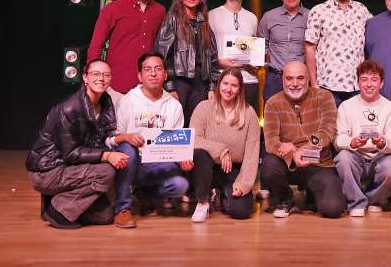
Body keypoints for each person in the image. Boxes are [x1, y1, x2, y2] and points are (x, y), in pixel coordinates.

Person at [26, 60, 129, 229]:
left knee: (105, 216)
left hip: (71, 168)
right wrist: (108, 156)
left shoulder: (105, 102)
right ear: (85, 78)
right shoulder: (69, 109)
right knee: (106, 170)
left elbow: (100, 140)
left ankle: (55, 201)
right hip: (47, 171)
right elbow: (70, 153)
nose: (101, 78)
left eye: (106, 75)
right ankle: (58, 210)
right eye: (95, 74)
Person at [112, 52, 192, 228]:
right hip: (133, 162)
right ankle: (122, 209)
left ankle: (145, 195)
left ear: (165, 74)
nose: (153, 74)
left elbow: (176, 145)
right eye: (147, 70)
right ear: (140, 76)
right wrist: (128, 137)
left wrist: (183, 159)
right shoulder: (128, 101)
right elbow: (113, 138)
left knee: (180, 185)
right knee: (127, 149)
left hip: (159, 163)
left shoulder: (174, 106)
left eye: (158, 69)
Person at [260, 61, 345, 218]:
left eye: (300, 78)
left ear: (308, 79)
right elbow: (271, 142)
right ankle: (286, 199)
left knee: (333, 209)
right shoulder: (272, 103)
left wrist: (301, 150)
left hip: (319, 164)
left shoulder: (324, 97)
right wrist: (292, 154)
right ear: (283, 80)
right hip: (289, 164)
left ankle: (313, 193)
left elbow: (327, 133)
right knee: (269, 165)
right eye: (289, 78)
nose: (294, 84)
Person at [87, 0, 166, 103]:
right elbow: (96, 47)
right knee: (116, 126)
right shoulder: (113, 9)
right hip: (117, 87)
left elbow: (163, 48)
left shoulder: (160, 11)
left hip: (149, 89)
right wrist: (93, 80)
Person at [189, 67, 260, 222]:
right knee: (200, 153)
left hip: (232, 169)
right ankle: (203, 201)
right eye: (225, 83)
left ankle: (223, 195)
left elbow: (252, 154)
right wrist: (221, 150)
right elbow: (193, 139)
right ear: (219, 84)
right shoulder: (203, 107)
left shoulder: (249, 113)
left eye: (234, 85)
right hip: (207, 169)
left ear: (240, 88)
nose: (228, 89)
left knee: (241, 212)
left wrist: (244, 184)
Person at [334, 60, 391, 216]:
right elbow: (338, 140)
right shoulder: (346, 106)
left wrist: (383, 142)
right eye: (364, 79)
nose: (369, 84)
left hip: (380, 156)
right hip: (356, 155)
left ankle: (375, 200)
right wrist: (352, 142)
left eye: (374, 79)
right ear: (358, 83)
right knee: (343, 158)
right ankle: (356, 202)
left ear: (382, 83)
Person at [155, 0, 219, 126]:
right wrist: (170, 87)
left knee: (197, 125)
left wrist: (212, 87)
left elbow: (213, 59)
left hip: (200, 83)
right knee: (174, 124)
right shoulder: (172, 19)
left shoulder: (204, 23)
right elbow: (162, 56)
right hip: (179, 81)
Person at [305, 0, 372, 106]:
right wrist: (314, 85)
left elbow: (381, 27)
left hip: (357, 87)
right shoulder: (318, 11)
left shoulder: (362, 10)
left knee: (356, 128)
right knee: (329, 128)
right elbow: (309, 48)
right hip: (327, 86)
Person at [209, 0, 261, 115]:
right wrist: (219, 62)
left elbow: (254, 52)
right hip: (223, 81)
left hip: (249, 81)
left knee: (248, 124)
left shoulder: (252, 17)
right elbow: (205, 52)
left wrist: (257, 63)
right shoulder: (211, 15)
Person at [257, 0, 309, 101]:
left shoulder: (311, 16)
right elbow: (261, 45)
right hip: (275, 77)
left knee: (302, 116)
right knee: (271, 114)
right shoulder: (269, 17)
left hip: (301, 78)